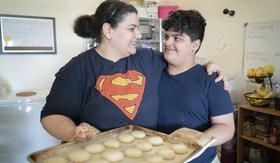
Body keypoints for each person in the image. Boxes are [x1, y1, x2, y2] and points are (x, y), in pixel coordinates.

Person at [40, 0, 225, 143]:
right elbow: (51, 116)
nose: (138, 35)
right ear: (108, 31)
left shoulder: (147, 58)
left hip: (146, 155)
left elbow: (178, 57)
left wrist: (209, 62)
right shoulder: (77, 68)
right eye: (132, 29)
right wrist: (74, 132)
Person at [158, 10, 235, 163]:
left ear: (195, 45)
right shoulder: (154, 69)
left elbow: (226, 128)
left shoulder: (212, 79)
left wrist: (192, 143)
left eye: (177, 38)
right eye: (166, 36)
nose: (167, 42)